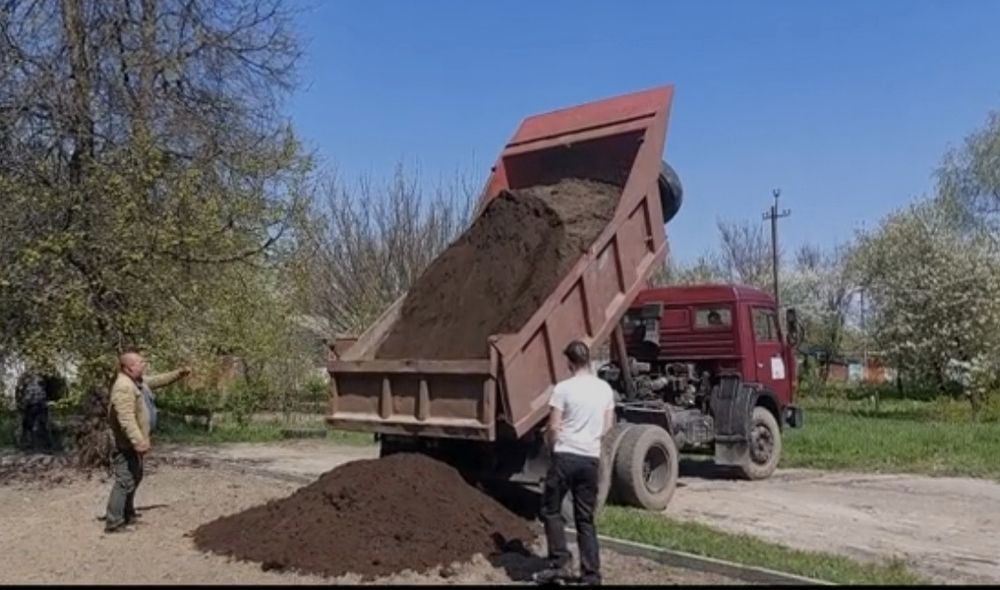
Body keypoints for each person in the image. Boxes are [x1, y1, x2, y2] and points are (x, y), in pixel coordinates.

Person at [538, 340, 615, 586]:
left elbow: (553, 426)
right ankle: (591, 574)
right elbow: (607, 426)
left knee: (551, 510)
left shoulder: (563, 389)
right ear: (589, 360)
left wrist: (552, 446)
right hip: (590, 459)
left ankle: (560, 561)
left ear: (569, 363)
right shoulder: (604, 389)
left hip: (565, 456)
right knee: (585, 519)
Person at [104, 352, 190, 533]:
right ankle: (114, 522)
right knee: (125, 480)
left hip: (133, 443)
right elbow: (125, 418)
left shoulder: (137, 382)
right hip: (125, 444)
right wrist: (138, 441)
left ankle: (127, 513)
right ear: (128, 367)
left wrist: (179, 373)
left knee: (135, 476)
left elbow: (158, 380)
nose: (144, 365)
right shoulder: (123, 387)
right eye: (140, 362)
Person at [15, 369, 52, 452]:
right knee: (38, 427)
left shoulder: (32, 385)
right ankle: (41, 447)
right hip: (39, 407)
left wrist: (23, 405)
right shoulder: (38, 384)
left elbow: (28, 398)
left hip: (35, 407)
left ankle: (35, 447)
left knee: (32, 427)